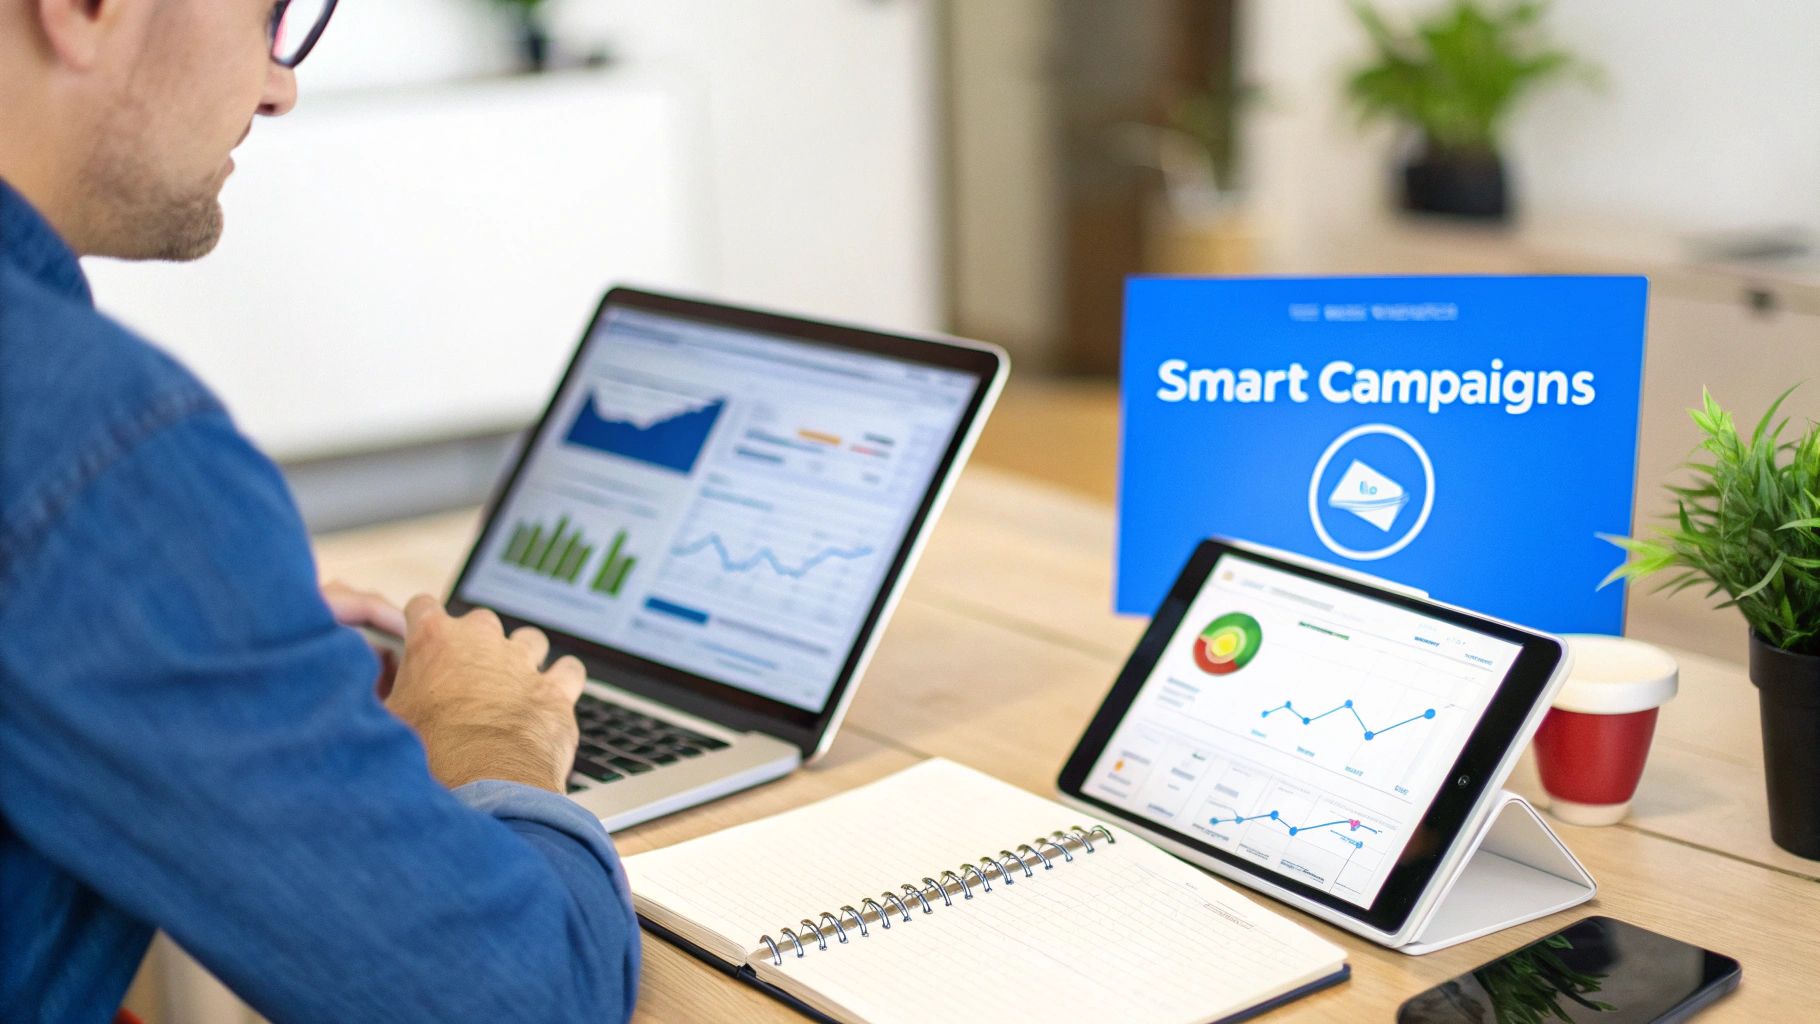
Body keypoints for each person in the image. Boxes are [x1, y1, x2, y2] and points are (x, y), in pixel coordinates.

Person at [0, 2, 639, 1019]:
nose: (279, 85)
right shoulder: (95, 440)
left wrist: (222, 639)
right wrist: (486, 731)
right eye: (270, 15)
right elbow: (524, 999)